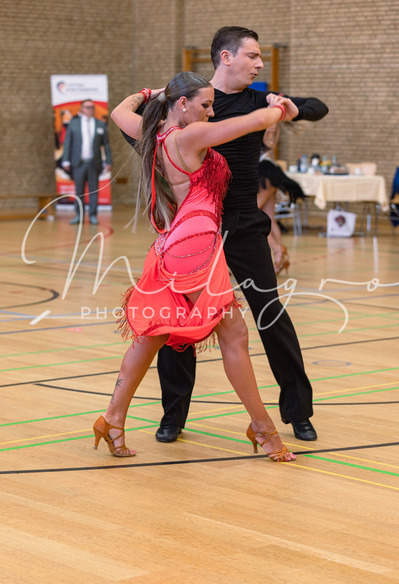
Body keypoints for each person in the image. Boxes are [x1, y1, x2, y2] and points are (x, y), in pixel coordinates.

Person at [93, 71, 298, 462]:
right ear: (183, 104)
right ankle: (264, 430)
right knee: (234, 336)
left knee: (153, 334)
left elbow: (120, 110)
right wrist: (278, 108)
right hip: (195, 249)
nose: (211, 111)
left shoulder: (152, 134)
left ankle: (112, 419)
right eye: (205, 104)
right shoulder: (190, 136)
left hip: (171, 245)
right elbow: (252, 122)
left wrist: (150, 92)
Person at [150, 27, 328, 445]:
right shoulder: (194, 101)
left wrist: (290, 108)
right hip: (194, 227)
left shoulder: (257, 101)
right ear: (226, 57)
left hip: (243, 224)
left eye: (261, 56)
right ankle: (173, 415)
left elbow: (317, 107)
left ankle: (298, 412)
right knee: (180, 320)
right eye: (252, 56)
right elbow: (137, 126)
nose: (259, 64)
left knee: (270, 313)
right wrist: (151, 95)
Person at [257, 123, 305, 275]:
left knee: (251, 214)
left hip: (264, 171)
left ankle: (277, 250)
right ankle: (280, 256)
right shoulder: (272, 129)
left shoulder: (261, 127)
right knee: (270, 217)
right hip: (271, 169)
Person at [62, 99, 112, 225]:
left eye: (92, 107)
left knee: (94, 190)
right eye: (87, 107)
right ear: (82, 109)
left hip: (94, 163)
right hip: (78, 163)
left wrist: (109, 160)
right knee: (79, 191)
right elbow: (68, 143)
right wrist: (65, 160)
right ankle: (79, 215)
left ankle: (93, 215)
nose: (90, 109)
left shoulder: (101, 124)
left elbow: (106, 145)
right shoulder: (74, 123)